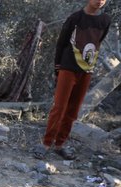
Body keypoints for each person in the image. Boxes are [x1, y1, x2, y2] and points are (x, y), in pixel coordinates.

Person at [34, 0, 111, 160]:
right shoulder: (75, 18)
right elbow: (61, 44)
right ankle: (46, 143)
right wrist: (58, 68)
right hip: (68, 68)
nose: (100, 1)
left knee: (73, 110)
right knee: (59, 107)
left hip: (87, 70)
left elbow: (97, 42)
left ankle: (60, 144)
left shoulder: (105, 20)